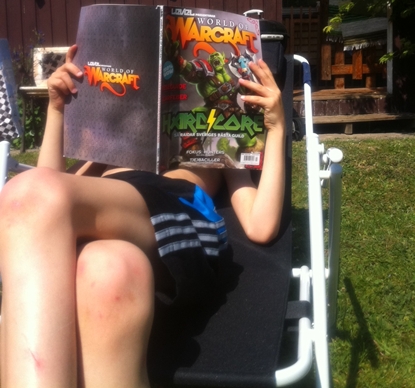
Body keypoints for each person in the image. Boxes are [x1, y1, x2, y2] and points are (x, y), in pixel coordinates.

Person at [0, 44, 286, 388]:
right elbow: (42, 217)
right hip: (122, 222)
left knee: (28, 195)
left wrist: (276, 128)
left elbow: (260, 225)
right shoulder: (107, 149)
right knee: (107, 270)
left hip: (179, 208)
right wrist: (57, 109)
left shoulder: (214, 136)